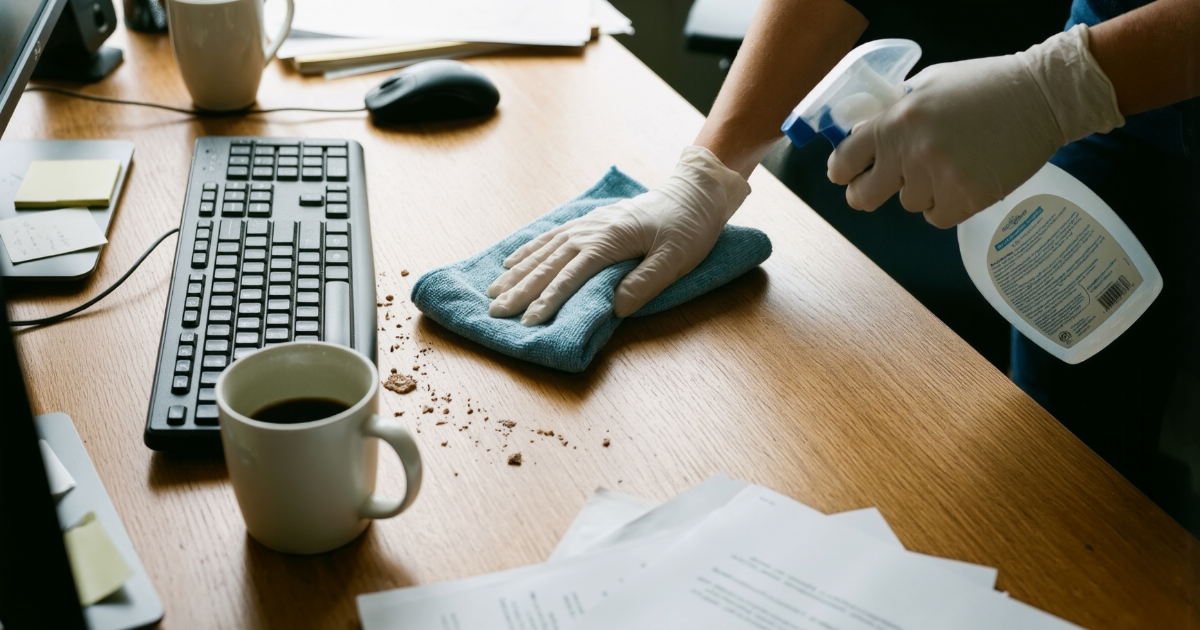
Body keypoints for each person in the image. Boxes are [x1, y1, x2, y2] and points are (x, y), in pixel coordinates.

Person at [488, 1, 1198, 515]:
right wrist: (710, 171)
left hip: (1124, 69)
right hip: (1121, 112)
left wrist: (1064, 85)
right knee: (1069, 487)